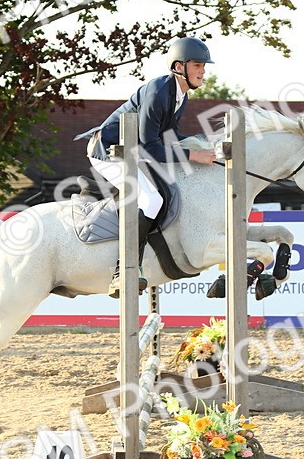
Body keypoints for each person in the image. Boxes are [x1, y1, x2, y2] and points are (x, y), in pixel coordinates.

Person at [78, 37, 218, 296]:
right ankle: (124, 269)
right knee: (151, 199)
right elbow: (151, 147)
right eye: (198, 65)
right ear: (179, 66)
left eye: (203, 66)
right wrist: (193, 156)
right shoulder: (159, 92)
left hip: (133, 150)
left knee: (168, 189)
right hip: (108, 151)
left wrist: (200, 148)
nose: (203, 70)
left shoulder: (179, 95)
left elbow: (169, 137)